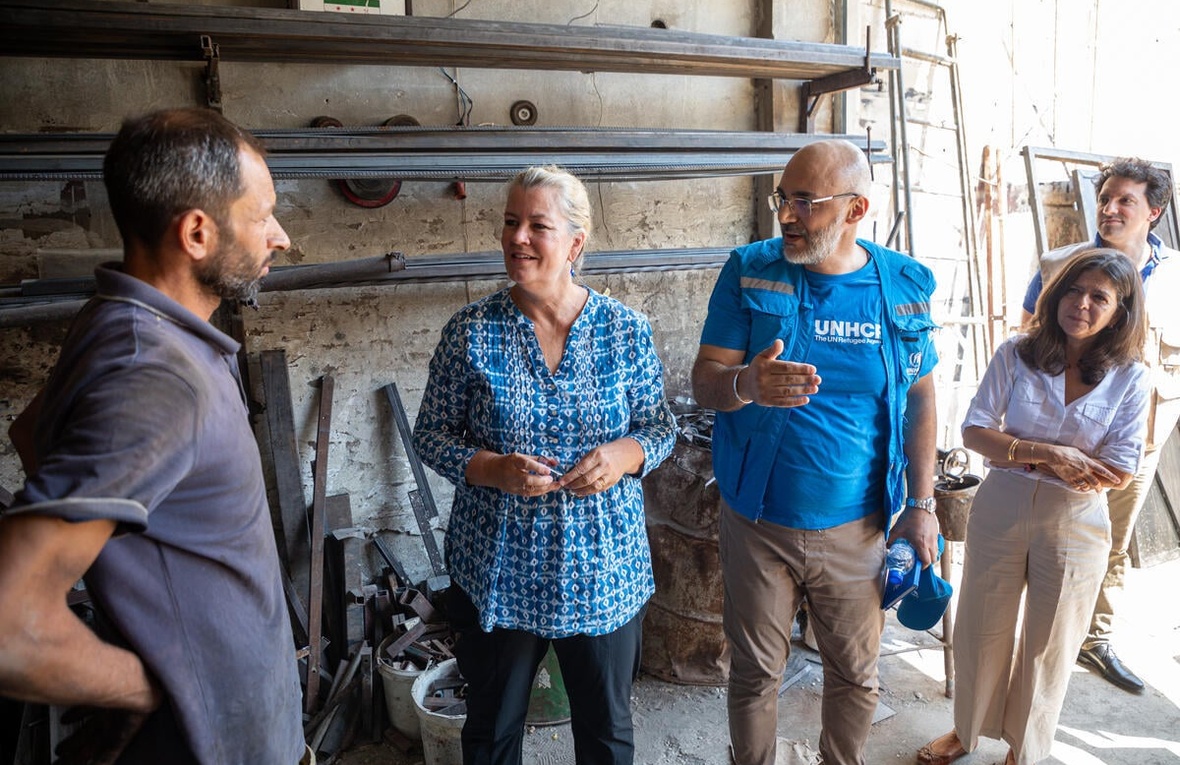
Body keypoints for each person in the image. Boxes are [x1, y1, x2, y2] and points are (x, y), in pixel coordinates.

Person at [0, 108, 307, 764]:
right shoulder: (156, 372)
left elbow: (31, 432)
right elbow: (9, 626)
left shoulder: (123, 320)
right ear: (197, 232)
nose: (279, 236)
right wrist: (144, 685)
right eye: (263, 215)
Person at [411, 165, 676, 765]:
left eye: (537, 225)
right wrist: (489, 468)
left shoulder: (624, 331)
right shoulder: (471, 333)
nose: (518, 238)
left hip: (602, 570)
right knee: (491, 728)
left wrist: (624, 454)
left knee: (607, 732)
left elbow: (661, 429)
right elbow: (431, 435)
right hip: (498, 568)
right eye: (510, 222)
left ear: (575, 244)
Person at [690, 139, 940, 765]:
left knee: (855, 675)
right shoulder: (749, 270)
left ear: (856, 209)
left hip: (860, 528)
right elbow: (704, 381)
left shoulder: (902, 287)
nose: (788, 215)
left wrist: (922, 504)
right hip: (758, 523)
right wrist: (746, 383)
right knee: (754, 673)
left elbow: (922, 400)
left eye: (806, 201)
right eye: (784, 198)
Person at [919, 249, 1150, 765]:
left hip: (1075, 518)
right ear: (1056, 293)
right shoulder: (1017, 353)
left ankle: (1025, 749)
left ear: (1121, 311)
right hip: (1001, 505)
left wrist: (1017, 452)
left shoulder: (1132, 377)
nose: (1081, 304)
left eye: (1099, 297)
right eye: (1073, 290)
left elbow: (1118, 468)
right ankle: (968, 731)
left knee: (1052, 640)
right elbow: (976, 430)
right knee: (981, 623)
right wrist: (1051, 455)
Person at [1019, 158, 1179, 693]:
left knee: (1111, 540)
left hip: (1139, 439)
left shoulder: (1176, 277)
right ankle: (1033, 637)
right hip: (1061, 437)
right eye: (1105, 197)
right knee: (1041, 536)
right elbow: (1027, 341)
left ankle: (1094, 639)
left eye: (1124, 201)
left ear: (1154, 212)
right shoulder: (1061, 264)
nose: (1109, 209)